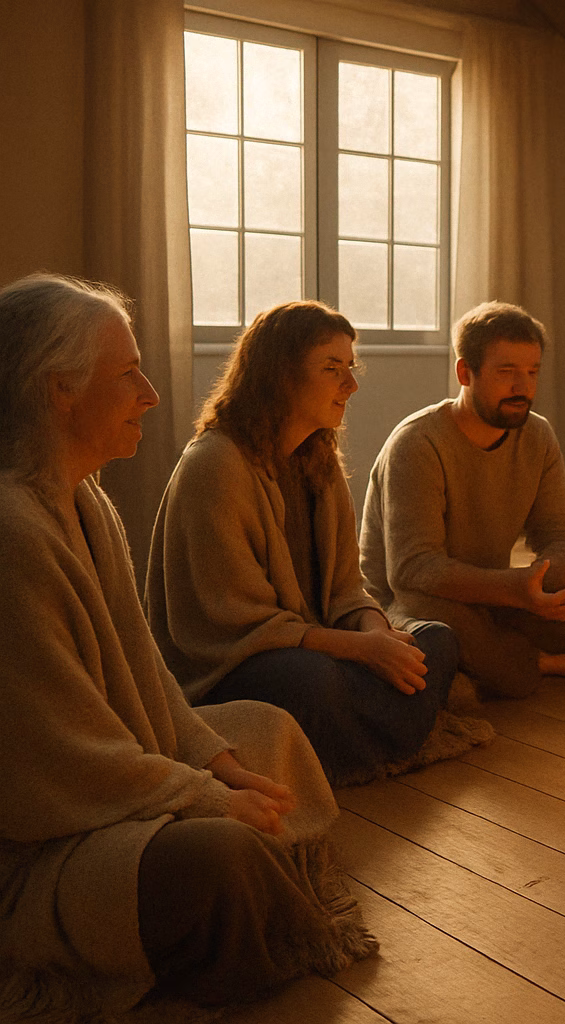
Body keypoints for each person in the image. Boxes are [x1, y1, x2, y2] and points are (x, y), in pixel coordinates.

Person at [0, 275, 375, 1018]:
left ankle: (253, 902)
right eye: (127, 374)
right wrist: (209, 797)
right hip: (47, 843)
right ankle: (248, 911)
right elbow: (62, 761)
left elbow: (146, 676)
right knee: (220, 858)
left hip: (123, 769)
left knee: (268, 730)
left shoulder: (87, 499)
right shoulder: (14, 532)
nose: (150, 392)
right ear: (59, 392)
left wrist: (221, 764)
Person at [147, 301, 459, 787]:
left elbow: (346, 589)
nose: (350, 385)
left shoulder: (320, 459)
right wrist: (362, 651)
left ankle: (346, 746)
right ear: (280, 376)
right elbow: (239, 627)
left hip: (320, 647)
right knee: (310, 680)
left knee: (435, 638)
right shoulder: (216, 466)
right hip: (232, 669)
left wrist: (377, 635)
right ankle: (380, 740)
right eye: (332, 369)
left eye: (350, 368)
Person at [360, 301, 565, 698]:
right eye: (507, 372)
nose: (523, 387)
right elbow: (412, 571)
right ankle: (546, 664)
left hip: (496, 597)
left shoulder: (537, 436)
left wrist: (551, 582)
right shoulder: (418, 443)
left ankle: (489, 662)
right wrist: (515, 588)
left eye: (532, 372)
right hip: (413, 603)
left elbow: (560, 534)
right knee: (440, 629)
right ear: (465, 372)